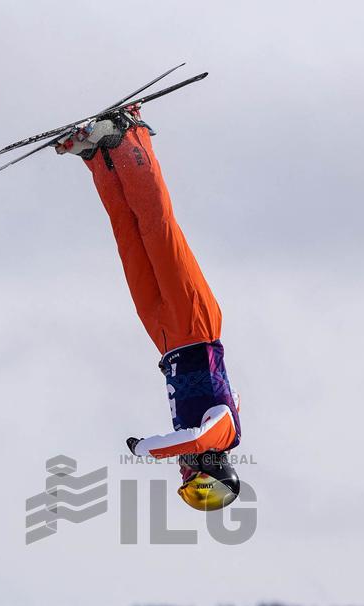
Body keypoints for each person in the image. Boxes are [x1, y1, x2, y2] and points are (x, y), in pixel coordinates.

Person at [55, 107, 241, 510]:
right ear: (216, 470)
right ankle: (129, 137)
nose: (185, 477)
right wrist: (145, 449)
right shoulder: (226, 434)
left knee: (128, 237)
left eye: (188, 488)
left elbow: (190, 435)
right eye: (196, 485)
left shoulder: (200, 434)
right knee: (158, 230)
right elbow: (194, 439)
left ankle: (99, 156)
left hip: (166, 339)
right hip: (195, 324)